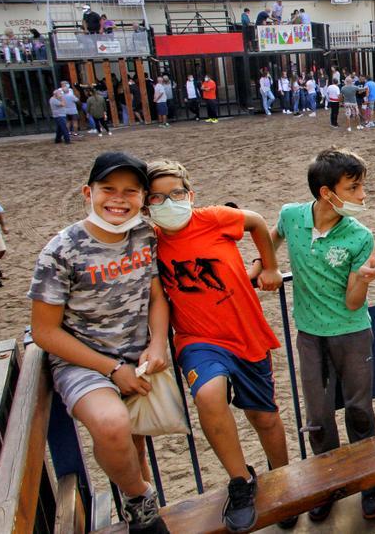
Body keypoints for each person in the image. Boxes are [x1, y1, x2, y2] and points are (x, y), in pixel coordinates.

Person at [145, 161, 294, 531]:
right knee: (209, 395)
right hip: (198, 338)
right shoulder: (149, 240)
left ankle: (283, 477)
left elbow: (258, 221)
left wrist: (268, 266)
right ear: (147, 203)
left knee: (264, 416)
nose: (169, 201)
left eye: (176, 193)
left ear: (189, 194)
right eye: (158, 196)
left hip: (245, 332)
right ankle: (240, 481)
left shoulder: (212, 218)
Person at [29, 152, 171, 534]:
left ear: (142, 197)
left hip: (136, 353)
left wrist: (158, 344)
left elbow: (156, 296)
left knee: (133, 441)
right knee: (111, 424)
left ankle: (139, 506)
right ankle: (140, 500)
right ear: (87, 192)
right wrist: (110, 368)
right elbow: (44, 331)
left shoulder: (143, 234)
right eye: (108, 189)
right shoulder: (60, 251)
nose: (118, 199)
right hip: (82, 361)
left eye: (130, 191)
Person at [272, 149, 375, 521]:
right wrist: (265, 264)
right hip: (309, 336)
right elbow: (269, 234)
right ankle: (328, 484)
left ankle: (369, 480)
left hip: (352, 334)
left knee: (359, 410)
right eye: (354, 188)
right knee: (318, 418)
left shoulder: (359, 236)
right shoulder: (292, 216)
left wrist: (364, 278)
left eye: (362, 187)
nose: (363, 196)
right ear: (327, 193)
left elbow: (354, 304)